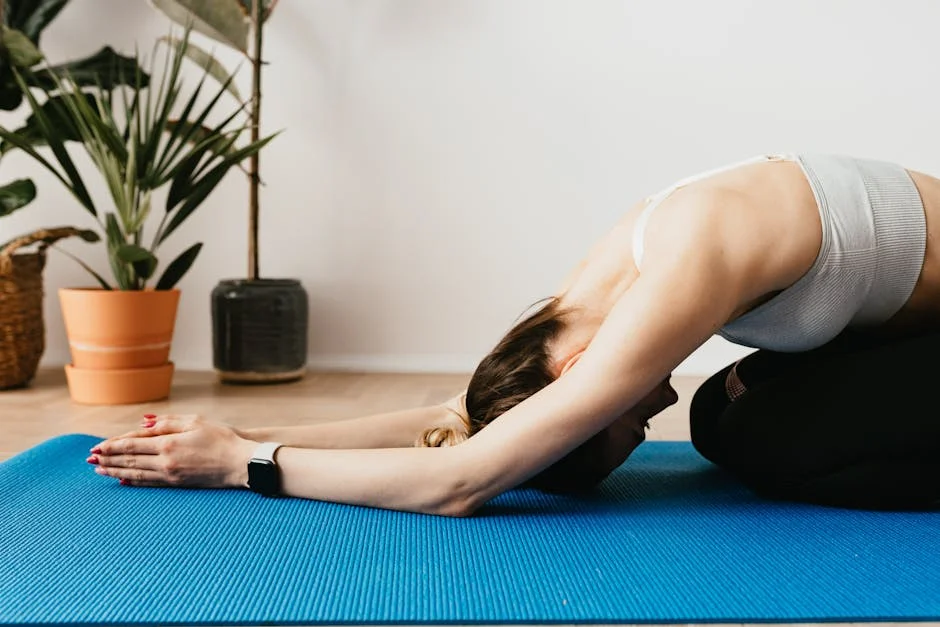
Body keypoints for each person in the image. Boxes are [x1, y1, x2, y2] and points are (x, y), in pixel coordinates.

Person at [88, 153, 940, 515]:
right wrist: (241, 428)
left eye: (629, 419)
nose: (658, 400)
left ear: (573, 374)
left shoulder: (682, 263)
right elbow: (459, 412)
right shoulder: (596, 292)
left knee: (754, 433)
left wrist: (244, 466)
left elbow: (463, 477)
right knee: (722, 414)